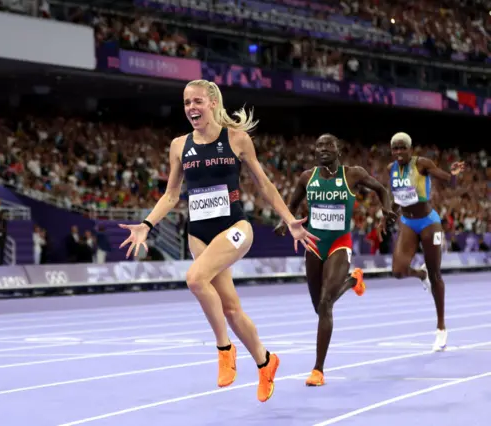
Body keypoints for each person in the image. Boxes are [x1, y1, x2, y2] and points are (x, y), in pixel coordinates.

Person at [118, 79, 319, 402]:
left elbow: (264, 184)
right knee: (230, 307)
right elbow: (171, 195)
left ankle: (224, 349)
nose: (191, 108)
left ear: (212, 102)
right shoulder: (179, 146)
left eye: (197, 101)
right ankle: (266, 361)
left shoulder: (237, 139)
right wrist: (146, 224)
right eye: (186, 103)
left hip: (235, 227)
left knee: (195, 278)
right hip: (199, 233)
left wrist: (289, 220)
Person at [274, 134, 397, 387]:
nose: (322, 149)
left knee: (326, 302)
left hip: (340, 243)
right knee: (318, 307)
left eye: (327, 146)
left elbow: (381, 189)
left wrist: (386, 211)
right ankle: (353, 280)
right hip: (314, 244)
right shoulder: (307, 178)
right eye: (318, 146)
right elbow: (292, 205)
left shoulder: (352, 174)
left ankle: (318, 370)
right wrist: (285, 222)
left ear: (338, 149)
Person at [387, 132, 465, 352]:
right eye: (395, 148)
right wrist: (390, 215)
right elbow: (396, 197)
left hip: (429, 223)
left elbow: (448, 179)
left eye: (403, 148)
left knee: (436, 273)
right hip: (408, 223)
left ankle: (441, 328)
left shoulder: (421, 164)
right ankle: (420, 275)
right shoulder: (391, 169)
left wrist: (454, 174)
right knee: (398, 270)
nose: (399, 152)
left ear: (410, 149)